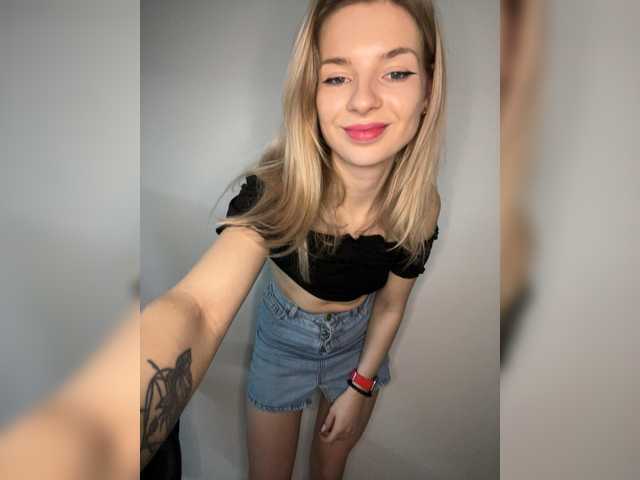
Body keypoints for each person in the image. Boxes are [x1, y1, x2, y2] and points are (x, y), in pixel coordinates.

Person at [140, 0, 446, 478]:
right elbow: (198, 308)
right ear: (312, 95)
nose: (363, 100)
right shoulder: (277, 190)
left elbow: (390, 306)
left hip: (358, 345)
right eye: (337, 77)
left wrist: (361, 385)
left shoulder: (421, 206)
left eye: (396, 72)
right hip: (284, 342)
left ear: (428, 89)